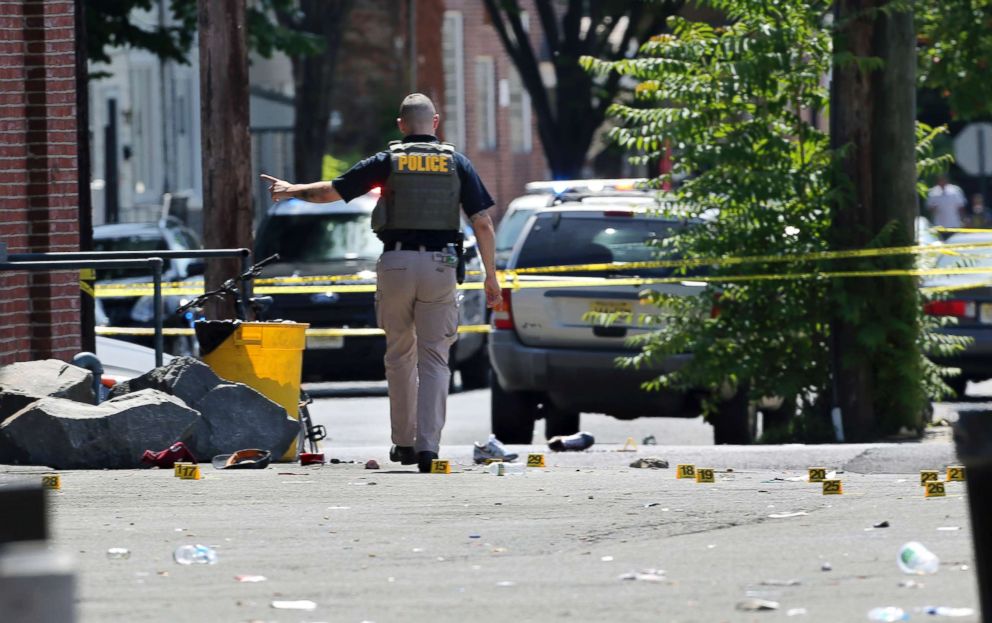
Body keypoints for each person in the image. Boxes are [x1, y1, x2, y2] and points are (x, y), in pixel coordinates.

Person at [261, 93, 502, 473]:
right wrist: (492, 276)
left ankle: (403, 443)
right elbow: (483, 223)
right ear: (435, 123)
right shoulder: (457, 163)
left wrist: (291, 190)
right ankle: (427, 448)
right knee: (436, 358)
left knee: (399, 354)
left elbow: (332, 191)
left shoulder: (387, 161)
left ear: (401, 124)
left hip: (396, 263)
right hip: (442, 264)